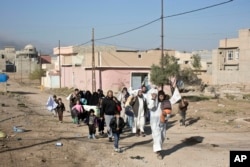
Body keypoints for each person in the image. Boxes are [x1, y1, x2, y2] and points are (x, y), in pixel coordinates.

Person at [148, 89, 169, 160]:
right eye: (160, 96)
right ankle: (158, 152)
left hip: (163, 122)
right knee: (157, 136)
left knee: (162, 136)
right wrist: (153, 99)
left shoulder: (166, 103)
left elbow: (169, 112)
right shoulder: (154, 102)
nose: (161, 97)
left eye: (162, 96)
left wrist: (166, 117)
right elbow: (150, 107)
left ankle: (157, 147)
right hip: (154, 122)